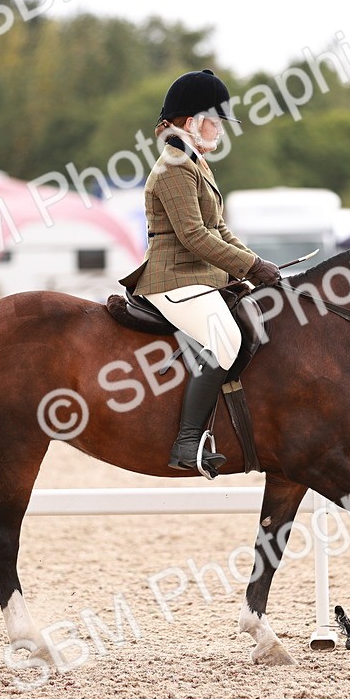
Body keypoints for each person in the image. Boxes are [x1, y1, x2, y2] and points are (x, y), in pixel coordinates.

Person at [119, 69, 282, 474]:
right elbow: (192, 236)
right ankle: (187, 443)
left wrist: (256, 264)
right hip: (173, 279)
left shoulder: (195, 164)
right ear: (192, 122)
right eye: (216, 121)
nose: (220, 131)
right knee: (226, 339)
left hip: (199, 277)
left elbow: (219, 229)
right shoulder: (174, 167)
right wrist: (250, 266)